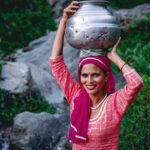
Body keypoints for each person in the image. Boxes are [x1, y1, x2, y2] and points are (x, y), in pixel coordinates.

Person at [49, 1, 144, 150]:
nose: (89, 81)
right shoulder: (75, 96)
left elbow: (136, 83)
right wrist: (64, 20)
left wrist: (114, 57)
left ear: (106, 76)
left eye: (95, 75)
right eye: (84, 75)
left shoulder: (115, 103)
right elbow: (56, 63)